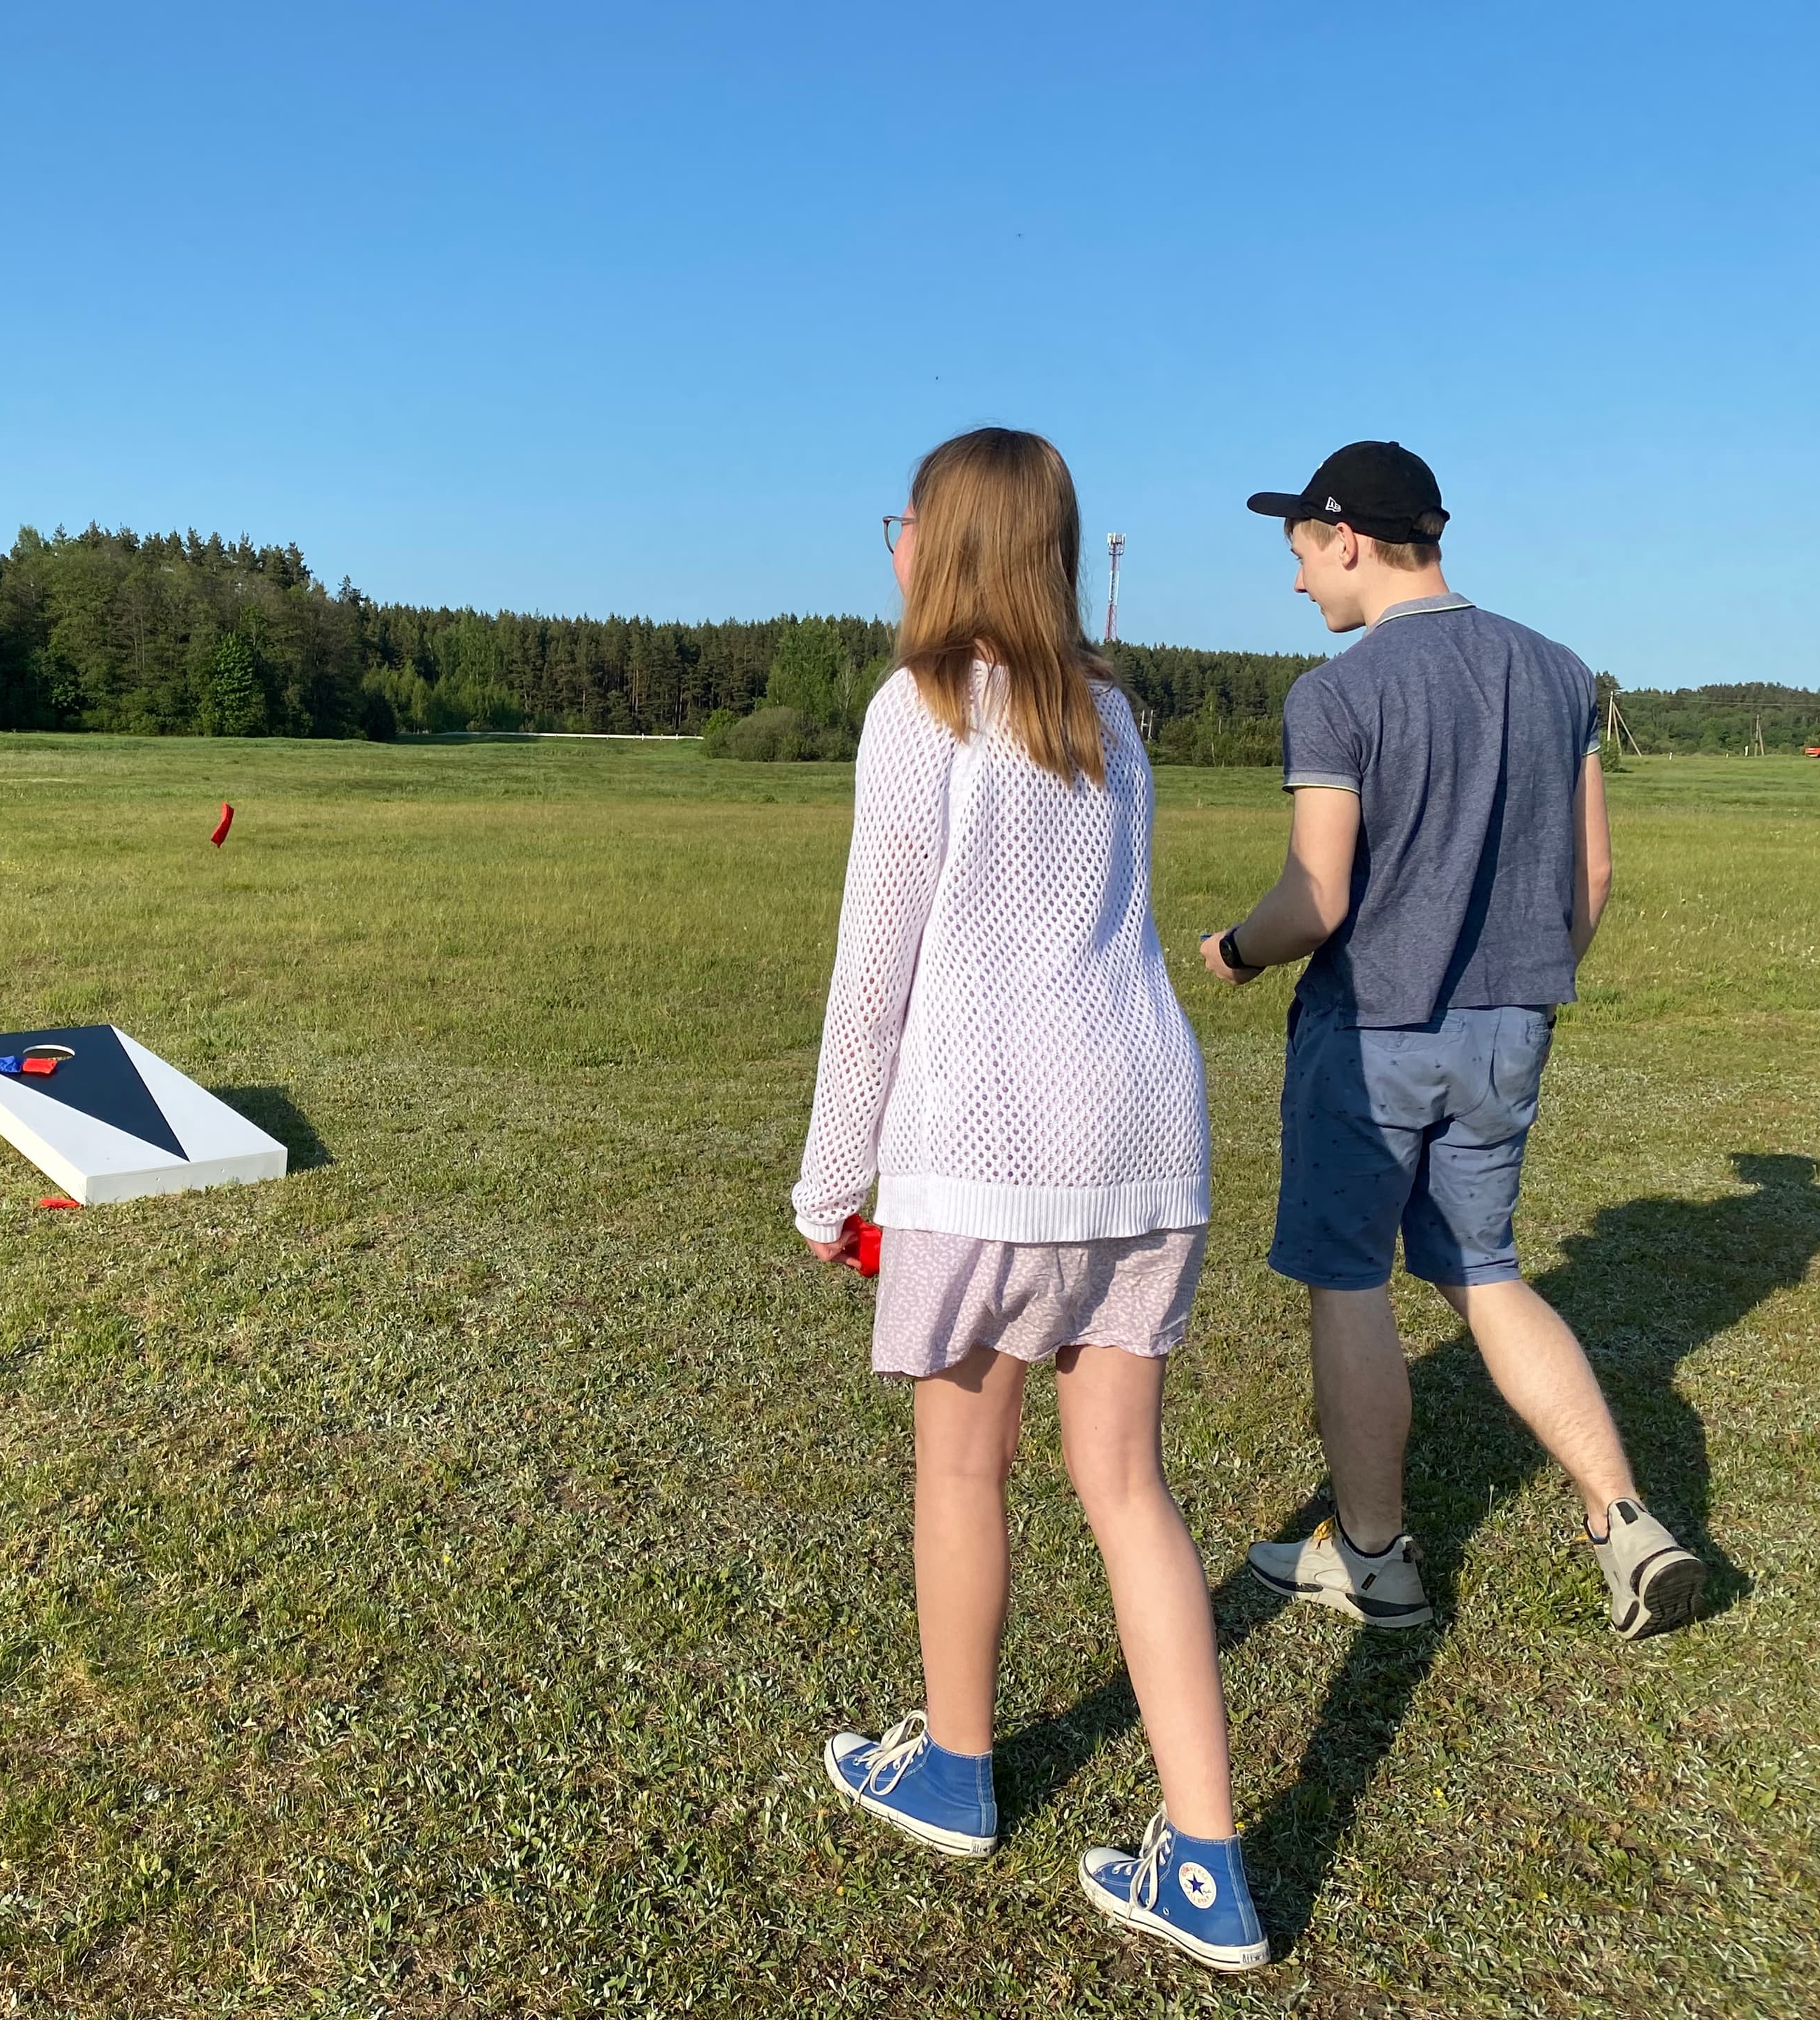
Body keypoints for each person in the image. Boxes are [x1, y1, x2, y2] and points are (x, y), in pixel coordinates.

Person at [798, 427, 1267, 1974]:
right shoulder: (1110, 716)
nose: (894, 547)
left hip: (988, 1148)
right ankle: (1207, 1865)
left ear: (948, 545)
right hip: (1146, 1140)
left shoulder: (918, 706)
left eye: (906, 523)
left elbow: (878, 975)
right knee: (1126, 1486)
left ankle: (951, 1769)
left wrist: (827, 1181)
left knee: (963, 1474)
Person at [1203, 440, 1704, 1639]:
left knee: (1348, 1278)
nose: (1299, 585)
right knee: (1486, 1272)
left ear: (1351, 540)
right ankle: (1625, 1519)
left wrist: (1232, 949)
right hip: (1509, 1031)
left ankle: (1373, 1555)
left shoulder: (1337, 693)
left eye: (1302, 556)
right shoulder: (1559, 671)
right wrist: (1526, 986)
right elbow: (1592, 873)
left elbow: (1315, 900)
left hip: (1369, 1036)